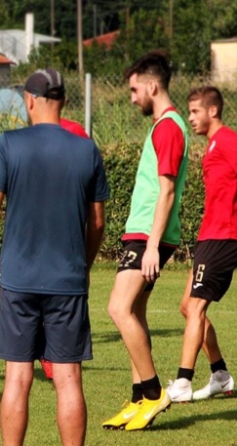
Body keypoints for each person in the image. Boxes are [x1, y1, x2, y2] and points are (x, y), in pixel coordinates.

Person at [0, 68, 108, 446]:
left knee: (18, 376)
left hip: (18, 279)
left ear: (28, 100)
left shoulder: (9, 144)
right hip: (68, 280)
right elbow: (96, 223)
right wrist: (85, 266)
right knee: (68, 378)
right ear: (62, 101)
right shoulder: (86, 148)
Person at [102, 51, 189, 431]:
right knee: (133, 313)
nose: (132, 96)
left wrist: (152, 244)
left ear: (153, 86)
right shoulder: (163, 126)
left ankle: (154, 392)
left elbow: (167, 192)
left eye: (135, 89)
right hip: (144, 235)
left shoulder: (169, 127)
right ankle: (139, 399)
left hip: (148, 237)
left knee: (118, 310)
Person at [166, 86, 235, 402]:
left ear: (212, 111)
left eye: (195, 111)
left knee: (195, 307)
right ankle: (220, 375)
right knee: (187, 306)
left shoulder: (227, 140)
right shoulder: (211, 146)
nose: (190, 117)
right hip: (210, 236)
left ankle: (182, 382)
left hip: (223, 236)